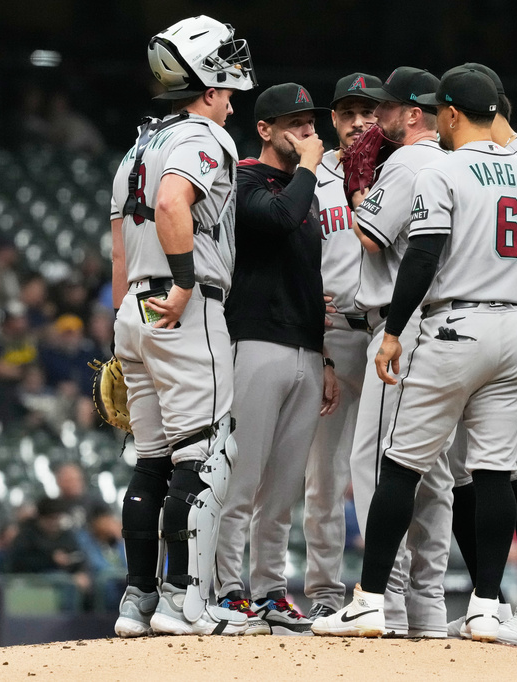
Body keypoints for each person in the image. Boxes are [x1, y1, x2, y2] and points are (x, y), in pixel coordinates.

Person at [313, 68, 517, 643]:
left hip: (454, 324)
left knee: (399, 463)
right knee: (490, 472)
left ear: (453, 114)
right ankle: (488, 606)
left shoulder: (442, 167)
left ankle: (369, 601)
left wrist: (392, 332)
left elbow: (421, 255)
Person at [107, 15, 263, 638]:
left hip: (135, 313)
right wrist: (182, 283)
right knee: (205, 454)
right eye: (224, 80)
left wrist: (126, 323)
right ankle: (185, 602)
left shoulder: (137, 145)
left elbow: (119, 246)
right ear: (207, 83)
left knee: (150, 460)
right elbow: (174, 201)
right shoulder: (203, 135)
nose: (230, 99)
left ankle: (138, 601)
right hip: (184, 306)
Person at [437, 63, 517, 649]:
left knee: (516, 462)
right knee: (468, 469)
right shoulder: (488, 161)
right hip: (485, 318)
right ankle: (491, 599)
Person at [213, 82, 339, 636]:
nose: (307, 131)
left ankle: (268, 589)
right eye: (293, 122)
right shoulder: (240, 180)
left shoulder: (299, 190)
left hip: (306, 349)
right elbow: (280, 218)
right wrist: (310, 167)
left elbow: (310, 274)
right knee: (242, 478)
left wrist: (327, 358)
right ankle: (226, 588)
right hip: (255, 342)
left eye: (310, 122)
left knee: (284, 487)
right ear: (264, 130)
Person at [343, 66, 453, 638]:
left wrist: (360, 184)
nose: (376, 118)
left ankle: (379, 593)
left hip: (400, 325)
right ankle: (427, 601)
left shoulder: (409, 161)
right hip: (445, 325)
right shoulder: (455, 162)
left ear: (414, 114)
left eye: (387, 108)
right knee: (429, 468)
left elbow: (368, 234)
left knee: (378, 460)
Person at [302, 72, 381, 621]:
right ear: (332, 119)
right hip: (328, 335)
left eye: (367, 112)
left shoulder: (398, 172)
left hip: (383, 334)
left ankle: (382, 592)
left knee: (382, 474)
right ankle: (325, 592)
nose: (357, 122)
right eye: (347, 112)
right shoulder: (316, 178)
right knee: (324, 478)